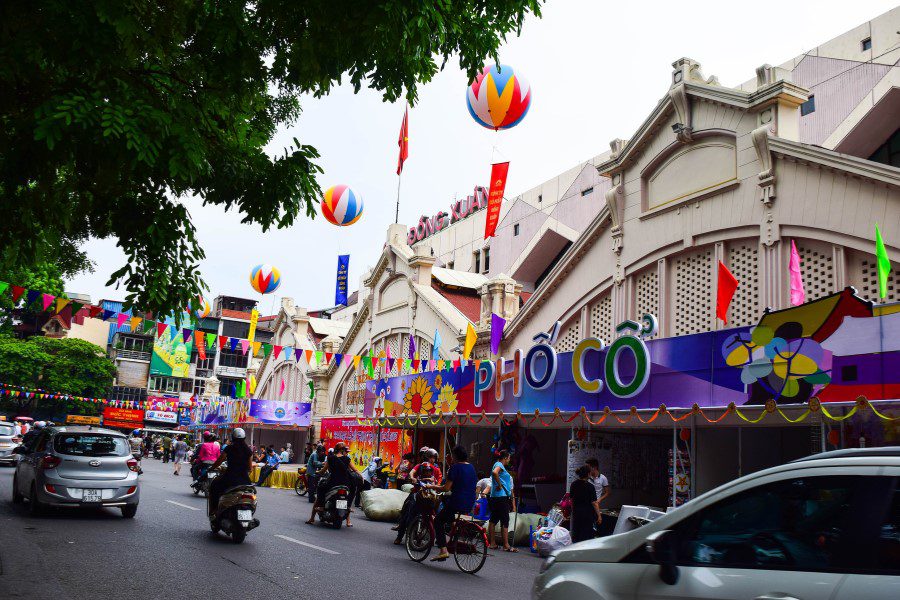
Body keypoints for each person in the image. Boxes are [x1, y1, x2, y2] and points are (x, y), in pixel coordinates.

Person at [428, 445, 477, 562]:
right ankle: (452, 536)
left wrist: (432, 486)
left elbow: (446, 488)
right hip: (470, 502)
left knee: (438, 520)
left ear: (455, 456)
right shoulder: (471, 467)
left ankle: (443, 550)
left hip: (457, 502)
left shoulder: (455, 468)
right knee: (451, 515)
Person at [206, 428, 253, 517]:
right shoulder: (248, 451)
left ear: (233, 437)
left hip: (229, 478)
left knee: (214, 487)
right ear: (244, 438)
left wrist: (212, 468)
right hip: (245, 481)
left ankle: (213, 511)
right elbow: (250, 468)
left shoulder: (229, 448)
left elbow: (219, 462)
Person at [307, 442, 356, 526]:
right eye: (346, 451)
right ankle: (348, 521)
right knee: (347, 499)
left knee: (320, 491)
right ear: (343, 451)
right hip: (345, 483)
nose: (346, 453)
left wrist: (318, 472)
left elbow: (324, 470)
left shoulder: (331, 458)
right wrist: (360, 476)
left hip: (333, 482)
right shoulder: (347, 459)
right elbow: (354, 470)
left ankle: (312, 518)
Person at [488, 449, 517, 552]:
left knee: (493, 519)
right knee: (505, 520)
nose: (509, 460)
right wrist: (500, 485)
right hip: (501, 497)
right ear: (505, 458)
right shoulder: (499, 464)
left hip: (495, 497)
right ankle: (506, 545)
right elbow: (494, 473)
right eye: (509, 458)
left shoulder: (497, 464)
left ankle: (492, 543)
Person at [569, 465, 602, 543]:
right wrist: (599, 515)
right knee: (585, 535)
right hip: (587, 514)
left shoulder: (573, 484)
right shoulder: (590, 486)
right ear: (588, 474)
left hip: (576, 513)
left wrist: (573, 511)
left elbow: (571, 500)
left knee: (577, 532)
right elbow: (594, 503)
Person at [585, 457, 610, 526]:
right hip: (586, 504)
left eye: (588, 467)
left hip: (595, 505)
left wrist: (599, 499)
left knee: (594, 523)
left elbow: (607, 492)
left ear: (594, 467)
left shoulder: (603, 478)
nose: (587, 469)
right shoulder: (586, 477)